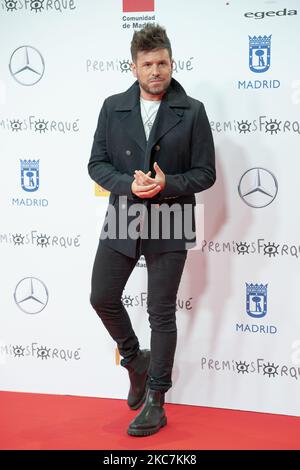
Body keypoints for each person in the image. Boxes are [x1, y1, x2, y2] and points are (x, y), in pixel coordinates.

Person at [88, 24, 215, 437]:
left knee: (161, 314)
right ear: (134, 67)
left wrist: (168, 184)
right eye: (147, 64)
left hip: (171, 217)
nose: (156, 70)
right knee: (102, 296)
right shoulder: (112, 106)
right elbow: (97, 165)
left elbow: (206, 173)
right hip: (124, 213)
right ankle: (134, 359)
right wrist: (128, 185)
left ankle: (157, 402)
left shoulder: (192, 110)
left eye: (162, 62)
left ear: (171, 62)